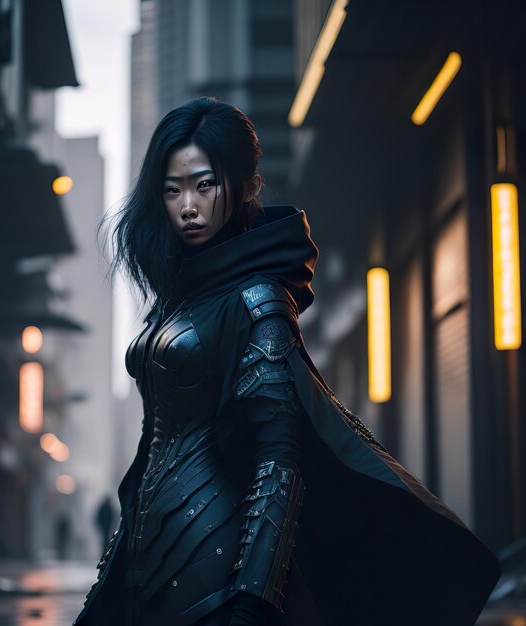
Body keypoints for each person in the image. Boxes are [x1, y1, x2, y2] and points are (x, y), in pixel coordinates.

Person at [73, 97, 501, 626]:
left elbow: (278, 460)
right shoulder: (179, 299)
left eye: (205, 185)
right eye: (172, 188)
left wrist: (254, 597)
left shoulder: (258, 300)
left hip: (219, 561)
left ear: (244, 186)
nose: (188, 205)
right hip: (145, 557)